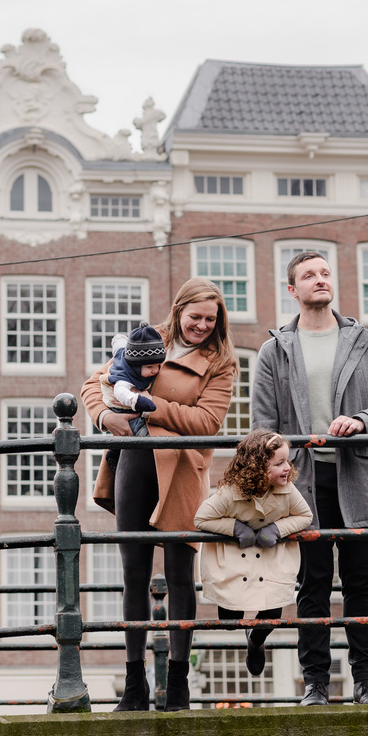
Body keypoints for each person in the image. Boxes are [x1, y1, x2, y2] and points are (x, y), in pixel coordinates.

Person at [252, 251, 368, 706]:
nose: (320, 280)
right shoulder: (274, 350)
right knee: (313, 585)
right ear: (292, 289)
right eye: (308, 276)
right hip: (301, 486)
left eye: (324, 273)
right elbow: (262, 428)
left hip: (358, 477)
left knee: (361, 584)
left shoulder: (366, 342)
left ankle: (366, 682)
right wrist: (276, 470)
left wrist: (360, 420)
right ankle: (315, 684)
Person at [82, 278, 238, 712]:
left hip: (183, 474)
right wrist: (104, 418)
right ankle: (134, 687)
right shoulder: (147, 341)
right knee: (133, 573)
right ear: (178, 310)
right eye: (195, 317)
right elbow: (97, 383)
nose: (202, 326)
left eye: (210, 319)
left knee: (179, 576)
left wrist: (145, 406)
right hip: (135, 464)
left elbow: (207, 423)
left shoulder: (221, 362)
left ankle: (177, 687)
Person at [194, 430, 312, 677]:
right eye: (279, 463)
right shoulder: (230, 493)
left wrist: (277, 528)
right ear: (257, 468)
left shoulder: (287, 490)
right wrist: (235, 528)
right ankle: (241, 627)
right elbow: (201, 518)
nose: (287, 467)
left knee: (272, 614)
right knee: (229, 621)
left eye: (287, 461)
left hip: (270, 561)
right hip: (236, 562)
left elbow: (305, 516)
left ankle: (256, 640)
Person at [98, 323, 166, 472]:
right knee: (138, 429)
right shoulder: (124, 377)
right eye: (149, 367)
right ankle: (114, 453)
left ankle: (114, 450)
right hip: (122, 407)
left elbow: (119, 343)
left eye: (158, 365)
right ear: (135, 366)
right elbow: (121, 393)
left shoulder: (125, 352)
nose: (155, 370)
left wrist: (119, 337)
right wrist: (138, 400)